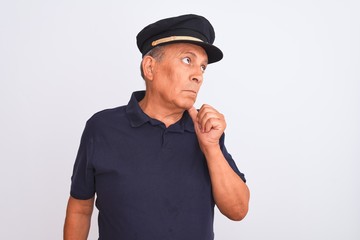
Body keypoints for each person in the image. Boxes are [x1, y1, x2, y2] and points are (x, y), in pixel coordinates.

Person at [64, 14, 250, 240]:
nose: (198, 76)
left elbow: (238, 211)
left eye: (203, 67)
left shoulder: (206, 130)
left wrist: (211, 148)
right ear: (150, 67)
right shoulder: (102, 128)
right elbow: (80, 209)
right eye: (187, 60)